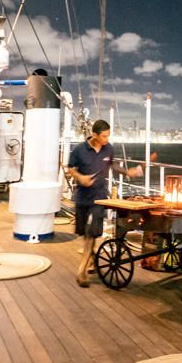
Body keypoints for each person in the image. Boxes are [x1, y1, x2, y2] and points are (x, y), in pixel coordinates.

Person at [67, 119, 142, 287]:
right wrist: (80, 177)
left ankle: (81, 272)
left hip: (99, 198)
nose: (107, 139)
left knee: (90, 234)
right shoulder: (79, 149)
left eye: (108, 136)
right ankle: (93, 260)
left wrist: (127, 172)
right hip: (82, 198)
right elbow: (70, 168)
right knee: (84, 234)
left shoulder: (108, 148)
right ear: (94, 135)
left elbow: (111, 164)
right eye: (104, 136)